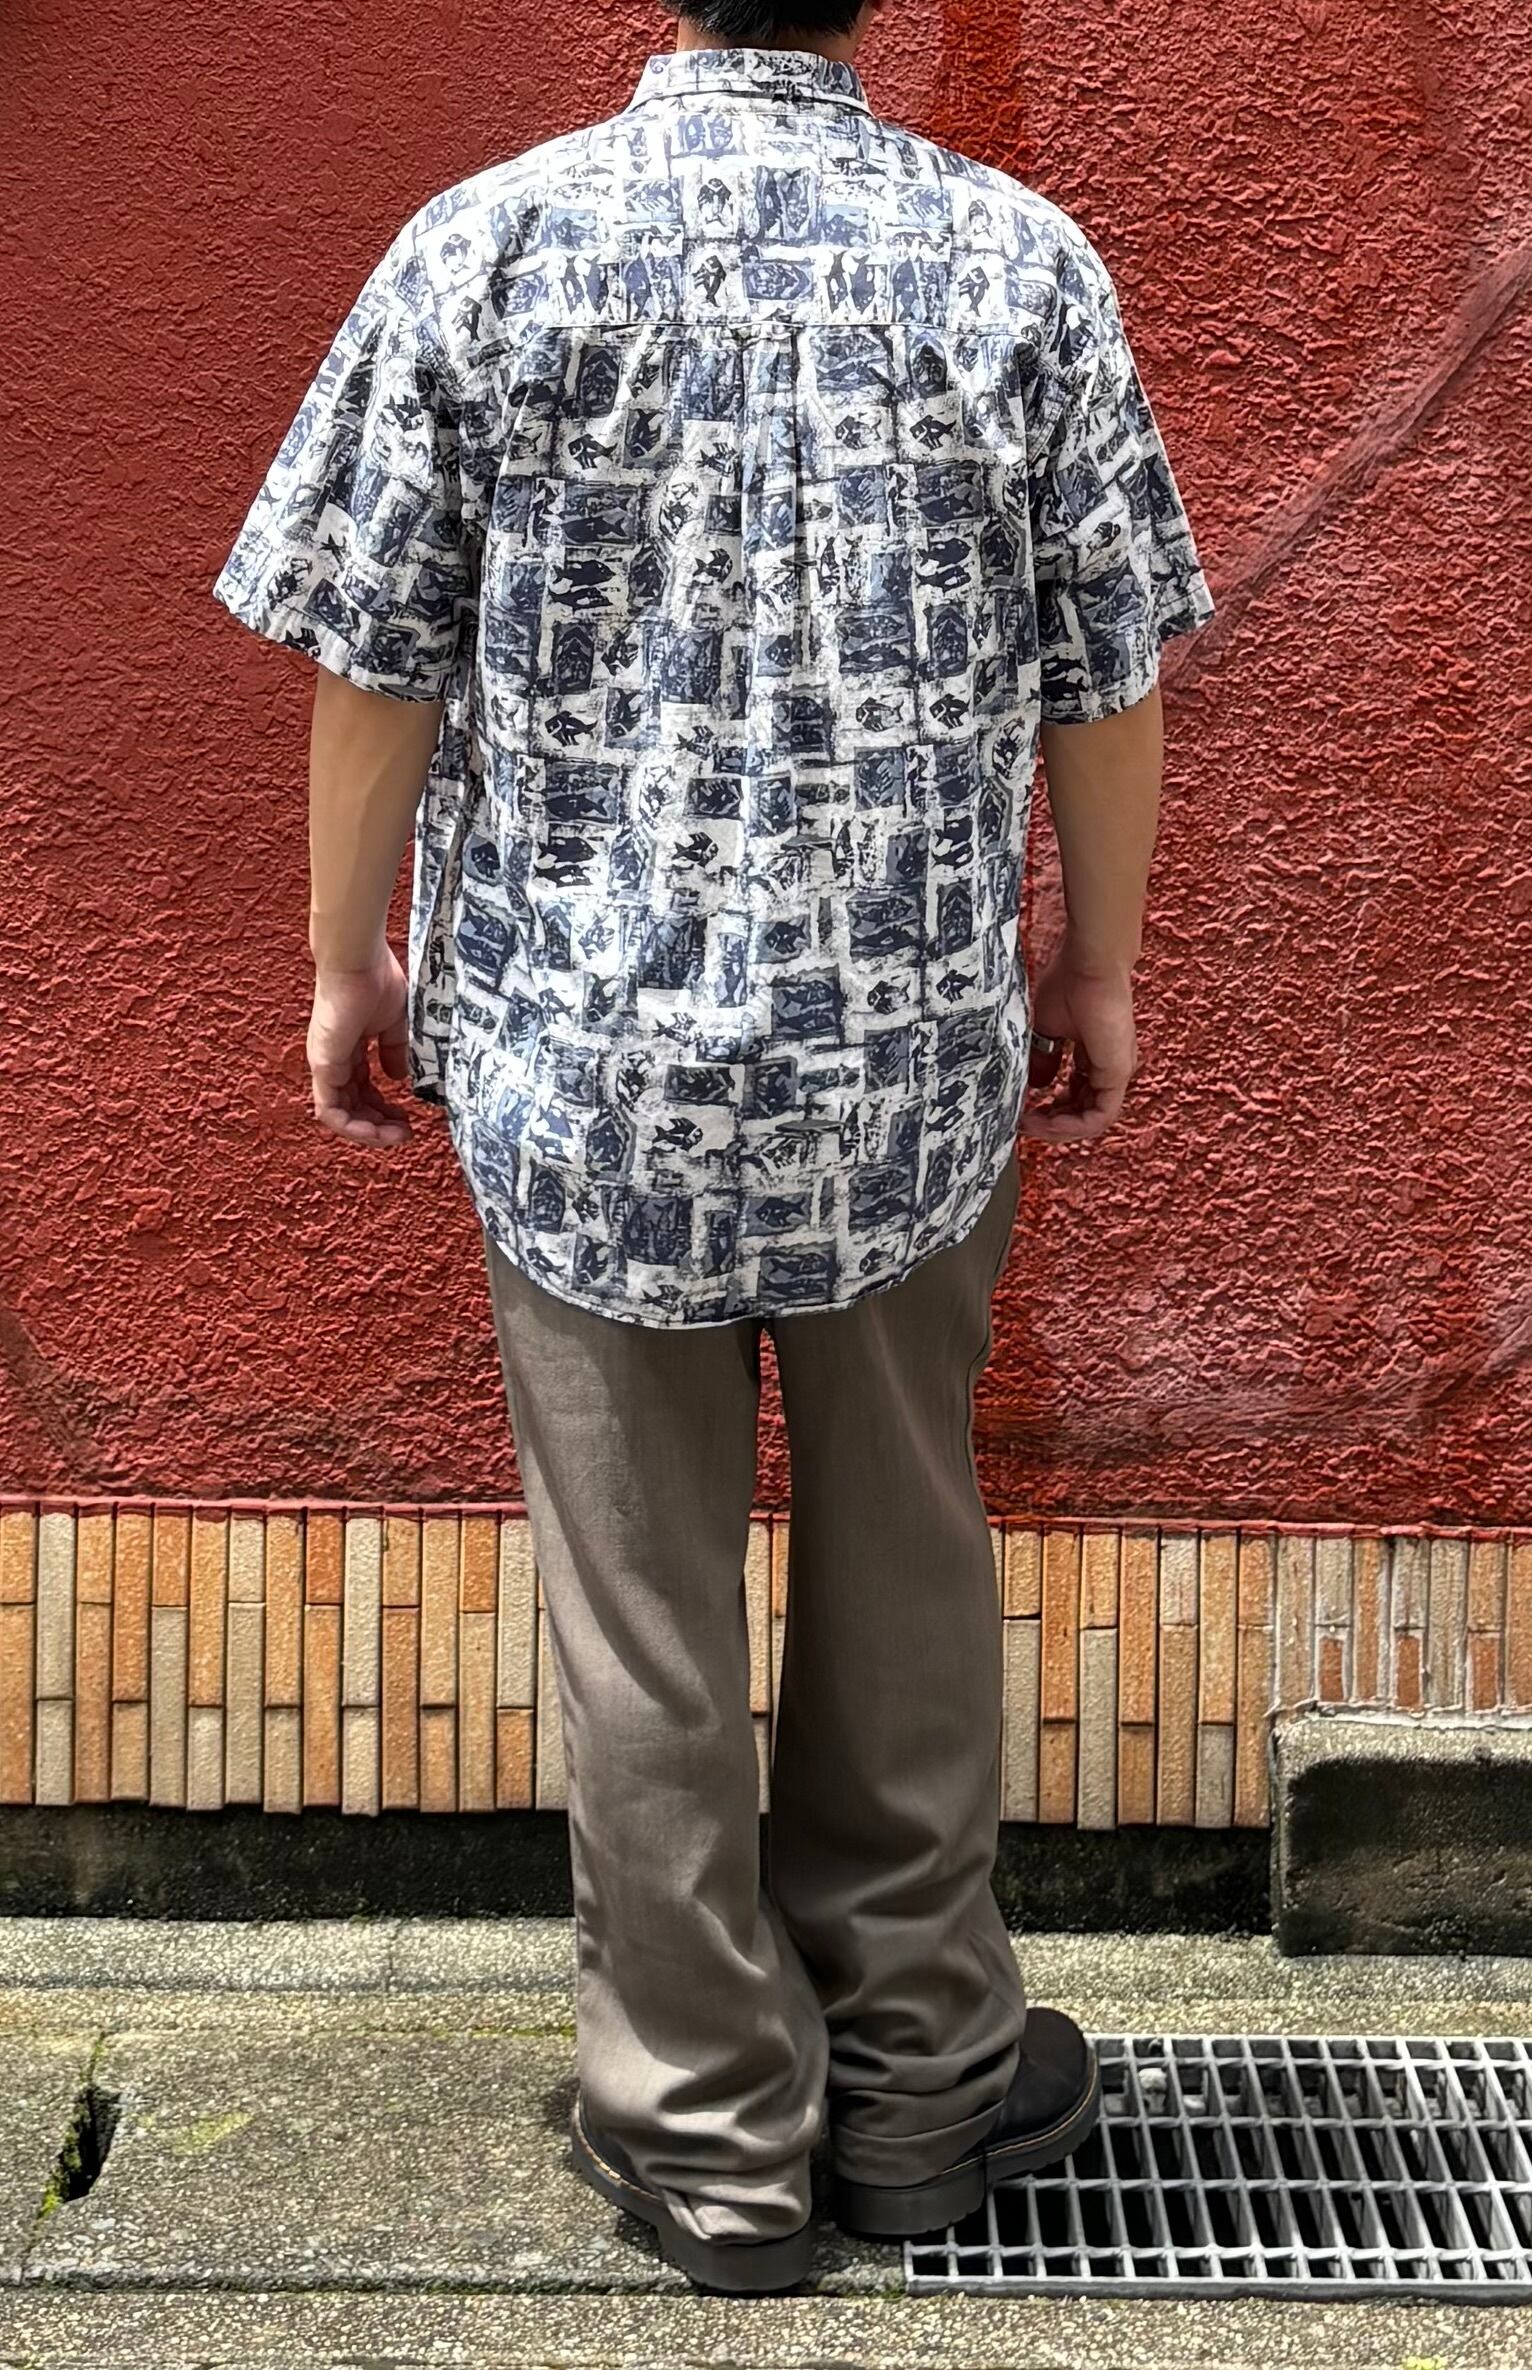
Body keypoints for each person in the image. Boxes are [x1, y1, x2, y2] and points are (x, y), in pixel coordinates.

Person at [212, 0, 1214, 2298]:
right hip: (903, 1072)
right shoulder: (1017, 263)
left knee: (641, 1614)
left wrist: (349, 962)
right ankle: (922, 2089)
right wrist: (1100, 969)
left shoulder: (489, 250)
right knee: (905, 1556)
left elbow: (372, 654)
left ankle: (709, 2142)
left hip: (585, 1078)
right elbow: (1110, 666)